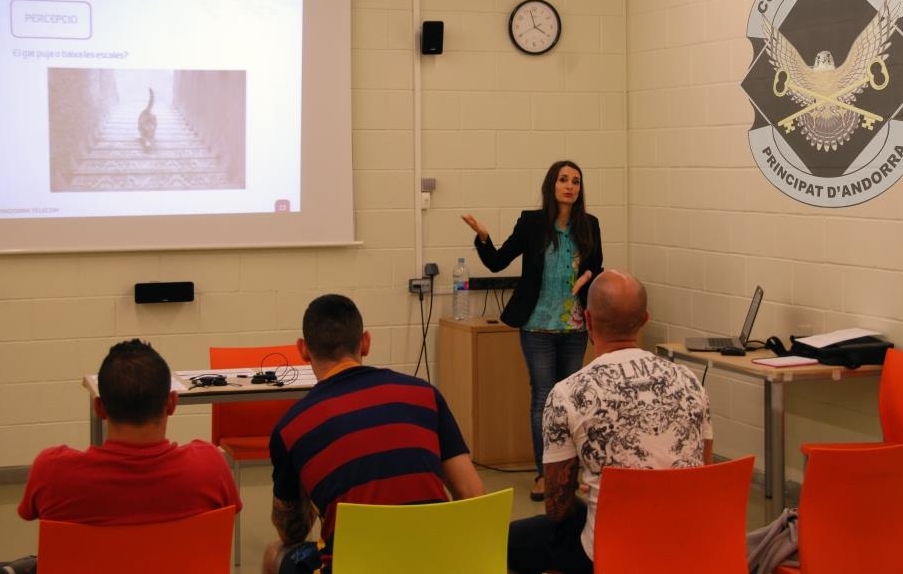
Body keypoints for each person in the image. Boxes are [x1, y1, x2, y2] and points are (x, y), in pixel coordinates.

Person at [507, 270, 713, 574]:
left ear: (587, 320)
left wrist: (590, 490)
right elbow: (704, 475)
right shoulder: (689, 381)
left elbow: (556, 508)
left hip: (610, 553)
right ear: (645, 320)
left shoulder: (568, 393)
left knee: (513, 540)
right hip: (689, 545)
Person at [265, 294, 484, 574]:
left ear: (303, 350)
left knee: (275, 553)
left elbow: (291, 532)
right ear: (365, 342)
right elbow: (473, 495)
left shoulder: (291, 427)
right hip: (438, 563)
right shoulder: (424, 395)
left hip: (354, 567)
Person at [0, 339, 241, 574]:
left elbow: (27, 512)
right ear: (172, 403)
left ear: (99, 407)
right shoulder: (211, 466)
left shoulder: (51, 470)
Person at [461, 159, 603, 501]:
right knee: (543, 398)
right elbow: (497, 261)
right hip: (537, 324)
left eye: (576, 181)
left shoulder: (590, 224)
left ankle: (569, 472)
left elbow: (595, 264)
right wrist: (483, 236)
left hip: (574, 326)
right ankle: (545, 474)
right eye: (563, 180)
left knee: (571, 401)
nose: (570, 186)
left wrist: (588, 277)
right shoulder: (532, 223)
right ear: (551, 186)